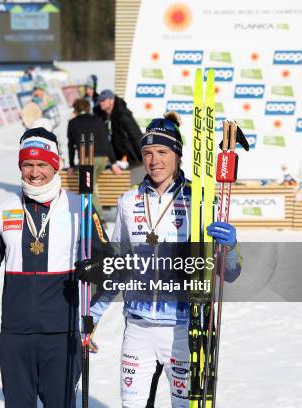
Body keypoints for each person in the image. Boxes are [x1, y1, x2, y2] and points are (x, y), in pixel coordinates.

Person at [83, 112, 243, 407]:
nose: (154, 160)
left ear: (177, 155)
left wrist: (230, 248)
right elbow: (119, 267)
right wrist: (92, 315)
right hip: (138, 328)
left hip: (184, 328)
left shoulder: (200, 199)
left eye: (162, 152)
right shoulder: (128, 201)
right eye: (147, 153)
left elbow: (229, 273)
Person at [0, 127, 111, 407]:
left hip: (62, 333)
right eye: (27, 165)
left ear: (54, 166)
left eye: (41, 165)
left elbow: (108, 260)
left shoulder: (80, 207)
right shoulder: (2, 210)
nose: (34, 173)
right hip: (16, 334)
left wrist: (95, 268)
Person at [67, 97, 122, 219]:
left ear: (75, 109)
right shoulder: (98, 120)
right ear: (88, 108)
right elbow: (107, 142)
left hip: (87, 159)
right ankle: (93, 217)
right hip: (103, 159)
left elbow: (71, 145)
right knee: (90, 186)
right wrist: (113, 162)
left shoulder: (73, 122)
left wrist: (71, 165)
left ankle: (98, 219)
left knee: (86, 190)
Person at [94, 89, 144, 184]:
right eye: (100, 100)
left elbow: (135, 135)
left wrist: (144, 157)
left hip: (132, 158)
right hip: (118, 158)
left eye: (103, 100)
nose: (101, 103)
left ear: (111, 100)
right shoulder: (104, 116)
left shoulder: (122, 114)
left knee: (135, 184)